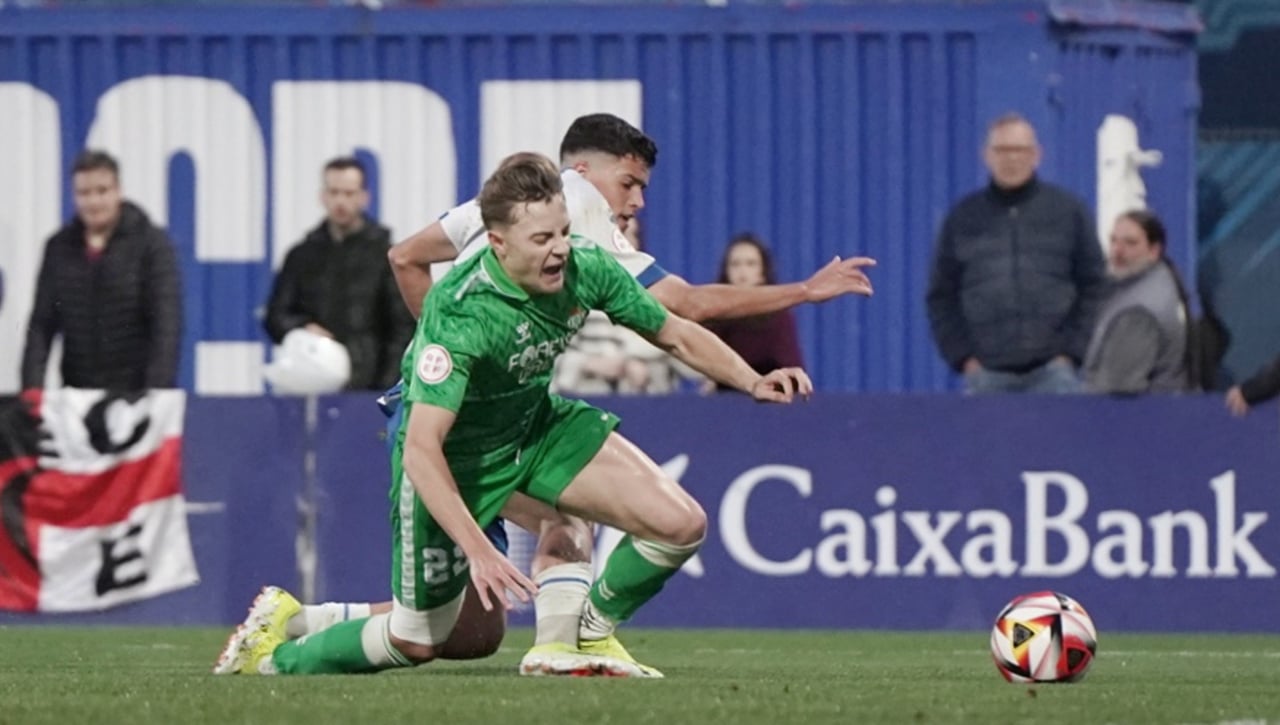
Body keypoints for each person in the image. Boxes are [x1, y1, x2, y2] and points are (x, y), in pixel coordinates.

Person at [263, 113, 873, 674]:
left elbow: (672, 329)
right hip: (453, 446)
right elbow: (687, 301)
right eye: (629, 184)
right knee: (432, 636)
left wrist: (751, 379)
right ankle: (279, 653)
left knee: (671, 523)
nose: (632, 203)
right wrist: (448, 371)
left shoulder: (550, 229)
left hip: (529, 420)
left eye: (563, 233)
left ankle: (572, 641)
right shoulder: (478, 298)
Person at [926, 113, 1106, 394]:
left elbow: (1095, 285)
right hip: (986, 377)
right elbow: (941, 296)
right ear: (986, 156)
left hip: (1055, 375)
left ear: (1036, 155)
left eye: (1019, 150)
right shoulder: (963, 218)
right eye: (1002, 150)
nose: (1011, 159)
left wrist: (1071, 353)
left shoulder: (1068, 212)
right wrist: (964, 359)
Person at [21, 150, 181, 390]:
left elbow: (166, 325)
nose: (93, 202)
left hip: (136, 393)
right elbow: (41, 325)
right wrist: (32, 387)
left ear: (118, 191)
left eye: (102, 191)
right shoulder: (58, 248)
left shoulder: (151, 245)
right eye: (84, 193)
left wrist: (156, 391)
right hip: (77, 394)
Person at [264, 157, 413, 391]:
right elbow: (276, 315)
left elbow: (402, 328)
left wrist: (386, 388)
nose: (340, 201)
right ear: (323, 196)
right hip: (312, 383)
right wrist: (302, 327)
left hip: (369, 384)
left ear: (364, 197)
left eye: (349, 193)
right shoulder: (301, 256)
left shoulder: (385, 256)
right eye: (334, 192)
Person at [1083, 210, 1193, 394]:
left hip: (1135, 411)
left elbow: (1116, 386)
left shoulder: (1138, 313)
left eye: (1130, 243)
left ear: (1154, 251)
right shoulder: (1159, 279)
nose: (1118, 251)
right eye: (1113, 240)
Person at [704, 233, 804, 393]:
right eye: (735, 264)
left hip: (772, 396)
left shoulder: (779, 317)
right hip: (725, 398)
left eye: (750, 264)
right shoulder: (713, 315)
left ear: (762, 272)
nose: (742, 271)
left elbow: (792, 369)